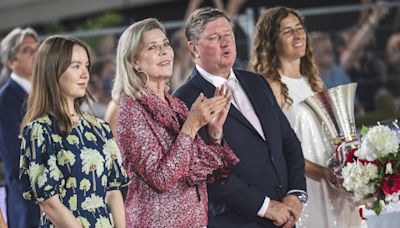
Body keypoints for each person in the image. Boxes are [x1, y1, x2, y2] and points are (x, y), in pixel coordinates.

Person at [174, 7, 306, 228]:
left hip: (287, 215)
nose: (225, 42)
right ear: (194, 48)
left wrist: (295, 193)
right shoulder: (183, 100)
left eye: (228, 34)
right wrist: (266, 206)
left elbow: (288, 142)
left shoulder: (256, 82)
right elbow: (207, 174)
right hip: (236, 221)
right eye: (214, 38)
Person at [112, 18, 239, 227]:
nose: (163, 51)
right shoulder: (131, 112)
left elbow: (202, 171)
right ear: (133, 61)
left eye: (165, 44)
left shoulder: (177, 106)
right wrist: (191, 126)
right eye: (152, 47)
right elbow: (161, 179)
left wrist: (215, 133)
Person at [249, 6, 362, 228]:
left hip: (332, 183)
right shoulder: (271, 86)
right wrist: (323, 174)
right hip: (305, 186)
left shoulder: (314, 81)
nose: (298, 35)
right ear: (272, 41)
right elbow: (276, 148)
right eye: (287, 31)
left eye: (299, 29)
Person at [19, 35, 129, 227]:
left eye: (86, 65)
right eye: (76, 66)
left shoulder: (99, 128)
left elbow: (113, 190)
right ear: (52, 71)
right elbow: (50, 204)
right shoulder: (40, 131)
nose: (85, 73)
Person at [0, 27, 40, 227]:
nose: (35, 54)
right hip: (27, 203)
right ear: (10, 60)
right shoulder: (4, 100)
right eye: (27, 50)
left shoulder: (46, 92)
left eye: (36, 48)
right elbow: (14, 158)